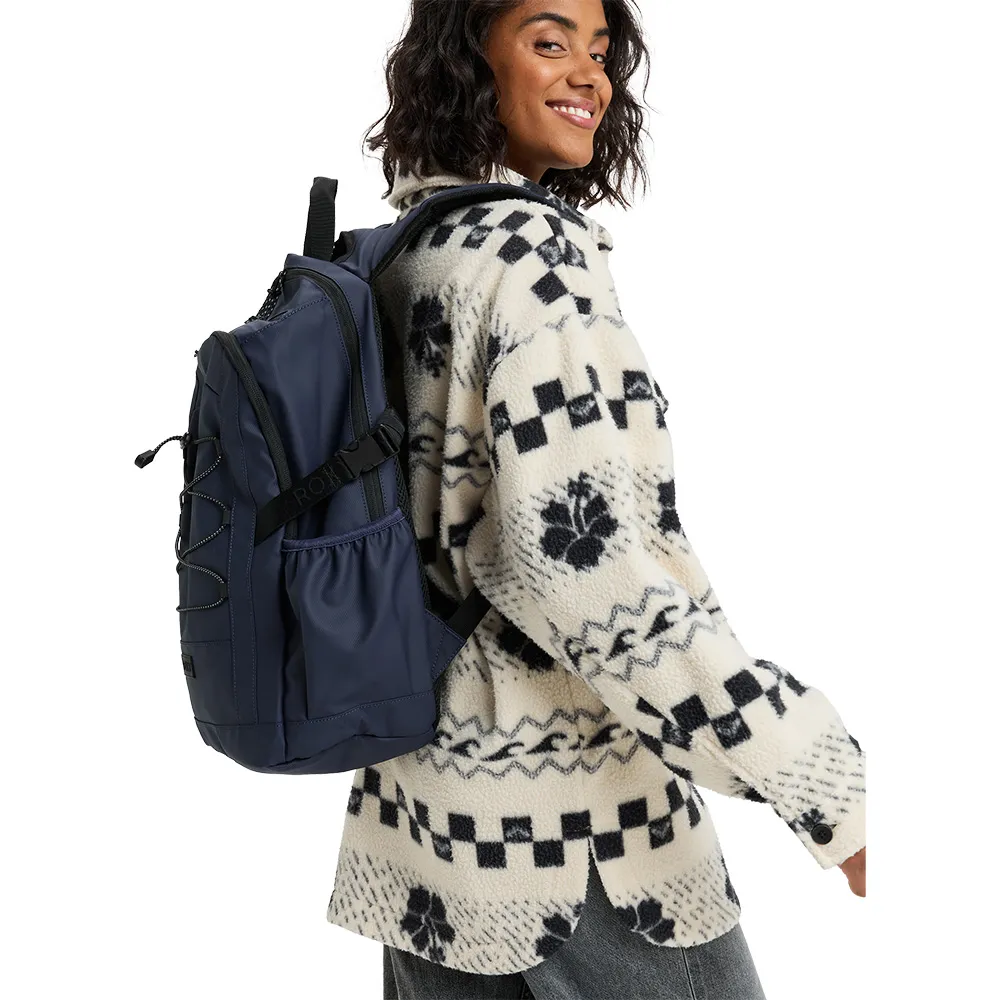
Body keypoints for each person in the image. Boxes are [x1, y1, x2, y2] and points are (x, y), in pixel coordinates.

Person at [327, 2, 867, 997]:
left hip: (426, 811)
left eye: (601, 50)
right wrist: (812, 774)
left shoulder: (406, 250)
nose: (590, 75)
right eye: (549, 41)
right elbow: (584, 568)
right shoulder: (536, 261)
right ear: (469, 59)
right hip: (576, 823)